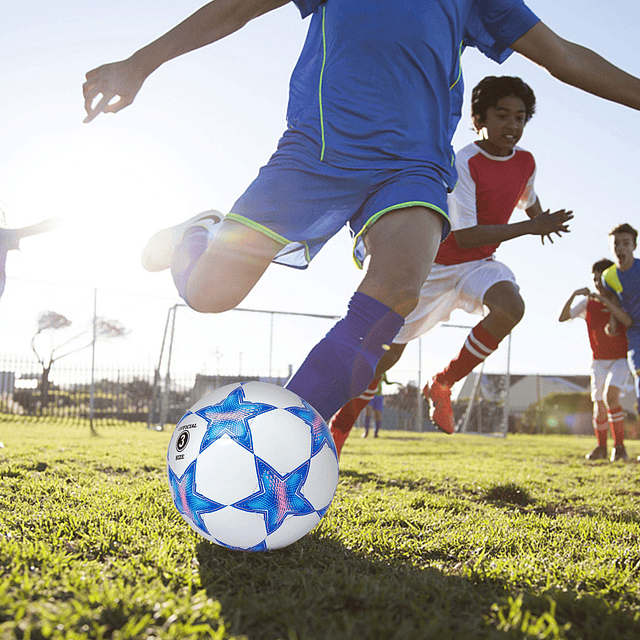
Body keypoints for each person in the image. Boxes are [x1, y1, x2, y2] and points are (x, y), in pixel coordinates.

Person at [83, 0, 640, 434]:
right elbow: (237, 8)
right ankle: (200, 235)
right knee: (209, 294)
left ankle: (289, 433)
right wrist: (140, 63)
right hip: (314, 154)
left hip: (413, 164)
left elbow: (563, 56)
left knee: (395, 292)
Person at [329, 75, 571, 455]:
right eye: (502, 115)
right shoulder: (466, 161)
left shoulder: (526, 161)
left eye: (520, 118)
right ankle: (340, 426)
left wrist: (543, 220)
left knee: (511, 306)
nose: (512, 125)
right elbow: (464, 236)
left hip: (479, 264)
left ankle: (443, 382)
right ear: (480, 120)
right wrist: (531, 227)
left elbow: (527, 197)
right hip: (436, 265)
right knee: (386, 356)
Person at [559, 259, 632, 461]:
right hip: (598, 361)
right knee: (599, 404)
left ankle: (620, 447)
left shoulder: (622, 301)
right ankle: (601, 447)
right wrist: (574, 294)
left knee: (611, 397)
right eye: (595, 280)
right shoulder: (588, 304)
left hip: (620, 359)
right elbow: (563, 317)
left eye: (602, 280)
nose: (598, 284)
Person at [602, 223, 640, 460]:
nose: (620, 248)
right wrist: (613, 324)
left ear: (634, 246)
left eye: (625, 243)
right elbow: (615, 305)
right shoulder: (609, 276)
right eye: (616, 244)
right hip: (635, 333)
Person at [0, 218, 60, 301]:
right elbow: (31, 230)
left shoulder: (4, 234)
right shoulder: (4, 234)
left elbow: (31, 230)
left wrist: (53, 223)